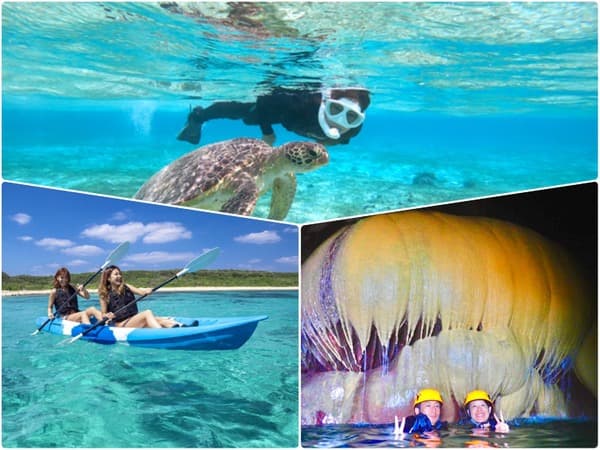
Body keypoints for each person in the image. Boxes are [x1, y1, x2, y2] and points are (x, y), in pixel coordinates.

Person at [176, 86, 370, 147]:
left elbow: (343, 138)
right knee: (239, 110)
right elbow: (265, 100)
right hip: (276, 108)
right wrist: (267, 133)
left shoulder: (353, 129)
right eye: (335, 110)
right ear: (326, 103)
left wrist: (328, 142)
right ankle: (198, 117)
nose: (339, 121)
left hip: (287, 120)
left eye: (352, 117)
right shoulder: (301, 104)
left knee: (247, 117)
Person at [98, 265, 179, 328]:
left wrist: (147, 291)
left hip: (133, 319)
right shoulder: (104, 294)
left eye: (119, 274)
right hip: (120, 324)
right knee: (147, 313)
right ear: (108, 278)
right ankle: (162, 334)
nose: (119, 276)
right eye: (116, 274)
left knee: (159, 319)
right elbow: (103, 314)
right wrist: (108, 315)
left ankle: (178, 327)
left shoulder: (126, 286)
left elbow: (142, 292)